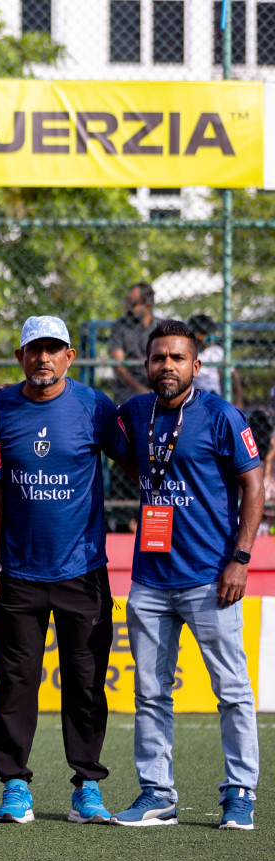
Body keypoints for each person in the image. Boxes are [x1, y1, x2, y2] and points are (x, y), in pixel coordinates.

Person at [114, 321, 262, 830]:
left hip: (210, 578)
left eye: (177, 358)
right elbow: (135, 464)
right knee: (151, 692)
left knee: (233, 691)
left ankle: (240, 793)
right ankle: (157, 794)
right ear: (147, 365)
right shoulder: (134, 413)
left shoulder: (222, 415)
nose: (167, 366)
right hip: (150, 579)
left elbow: (254, 484)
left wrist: (239, 558)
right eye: (159, 358)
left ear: (195, 366)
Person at [0, 316, 121, 825]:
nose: (43, 358)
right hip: (17, 574)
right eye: (33, 349)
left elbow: (133, 461)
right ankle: (14, 785)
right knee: (16, 682)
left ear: (70, 356)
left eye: (54, 349)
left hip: (82, 572)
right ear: (20, 357)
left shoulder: (94, 406)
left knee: (85, 683)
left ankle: (87, 787)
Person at [109, 281, 160, 401]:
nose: (127, 307)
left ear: (147, 306)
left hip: (159, 385)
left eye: (132, 304)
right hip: (129, 389)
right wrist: (141, 390)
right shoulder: (120, 326)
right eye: (126, 301)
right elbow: (118, 365)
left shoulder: (162, 327)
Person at [186, 313, 240, 404]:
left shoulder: (216, 351)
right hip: (193, 398)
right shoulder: (187, 352)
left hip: (213, 396)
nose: (212, 340)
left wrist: (238, 401)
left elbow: (234, 376)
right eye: (209, 337)